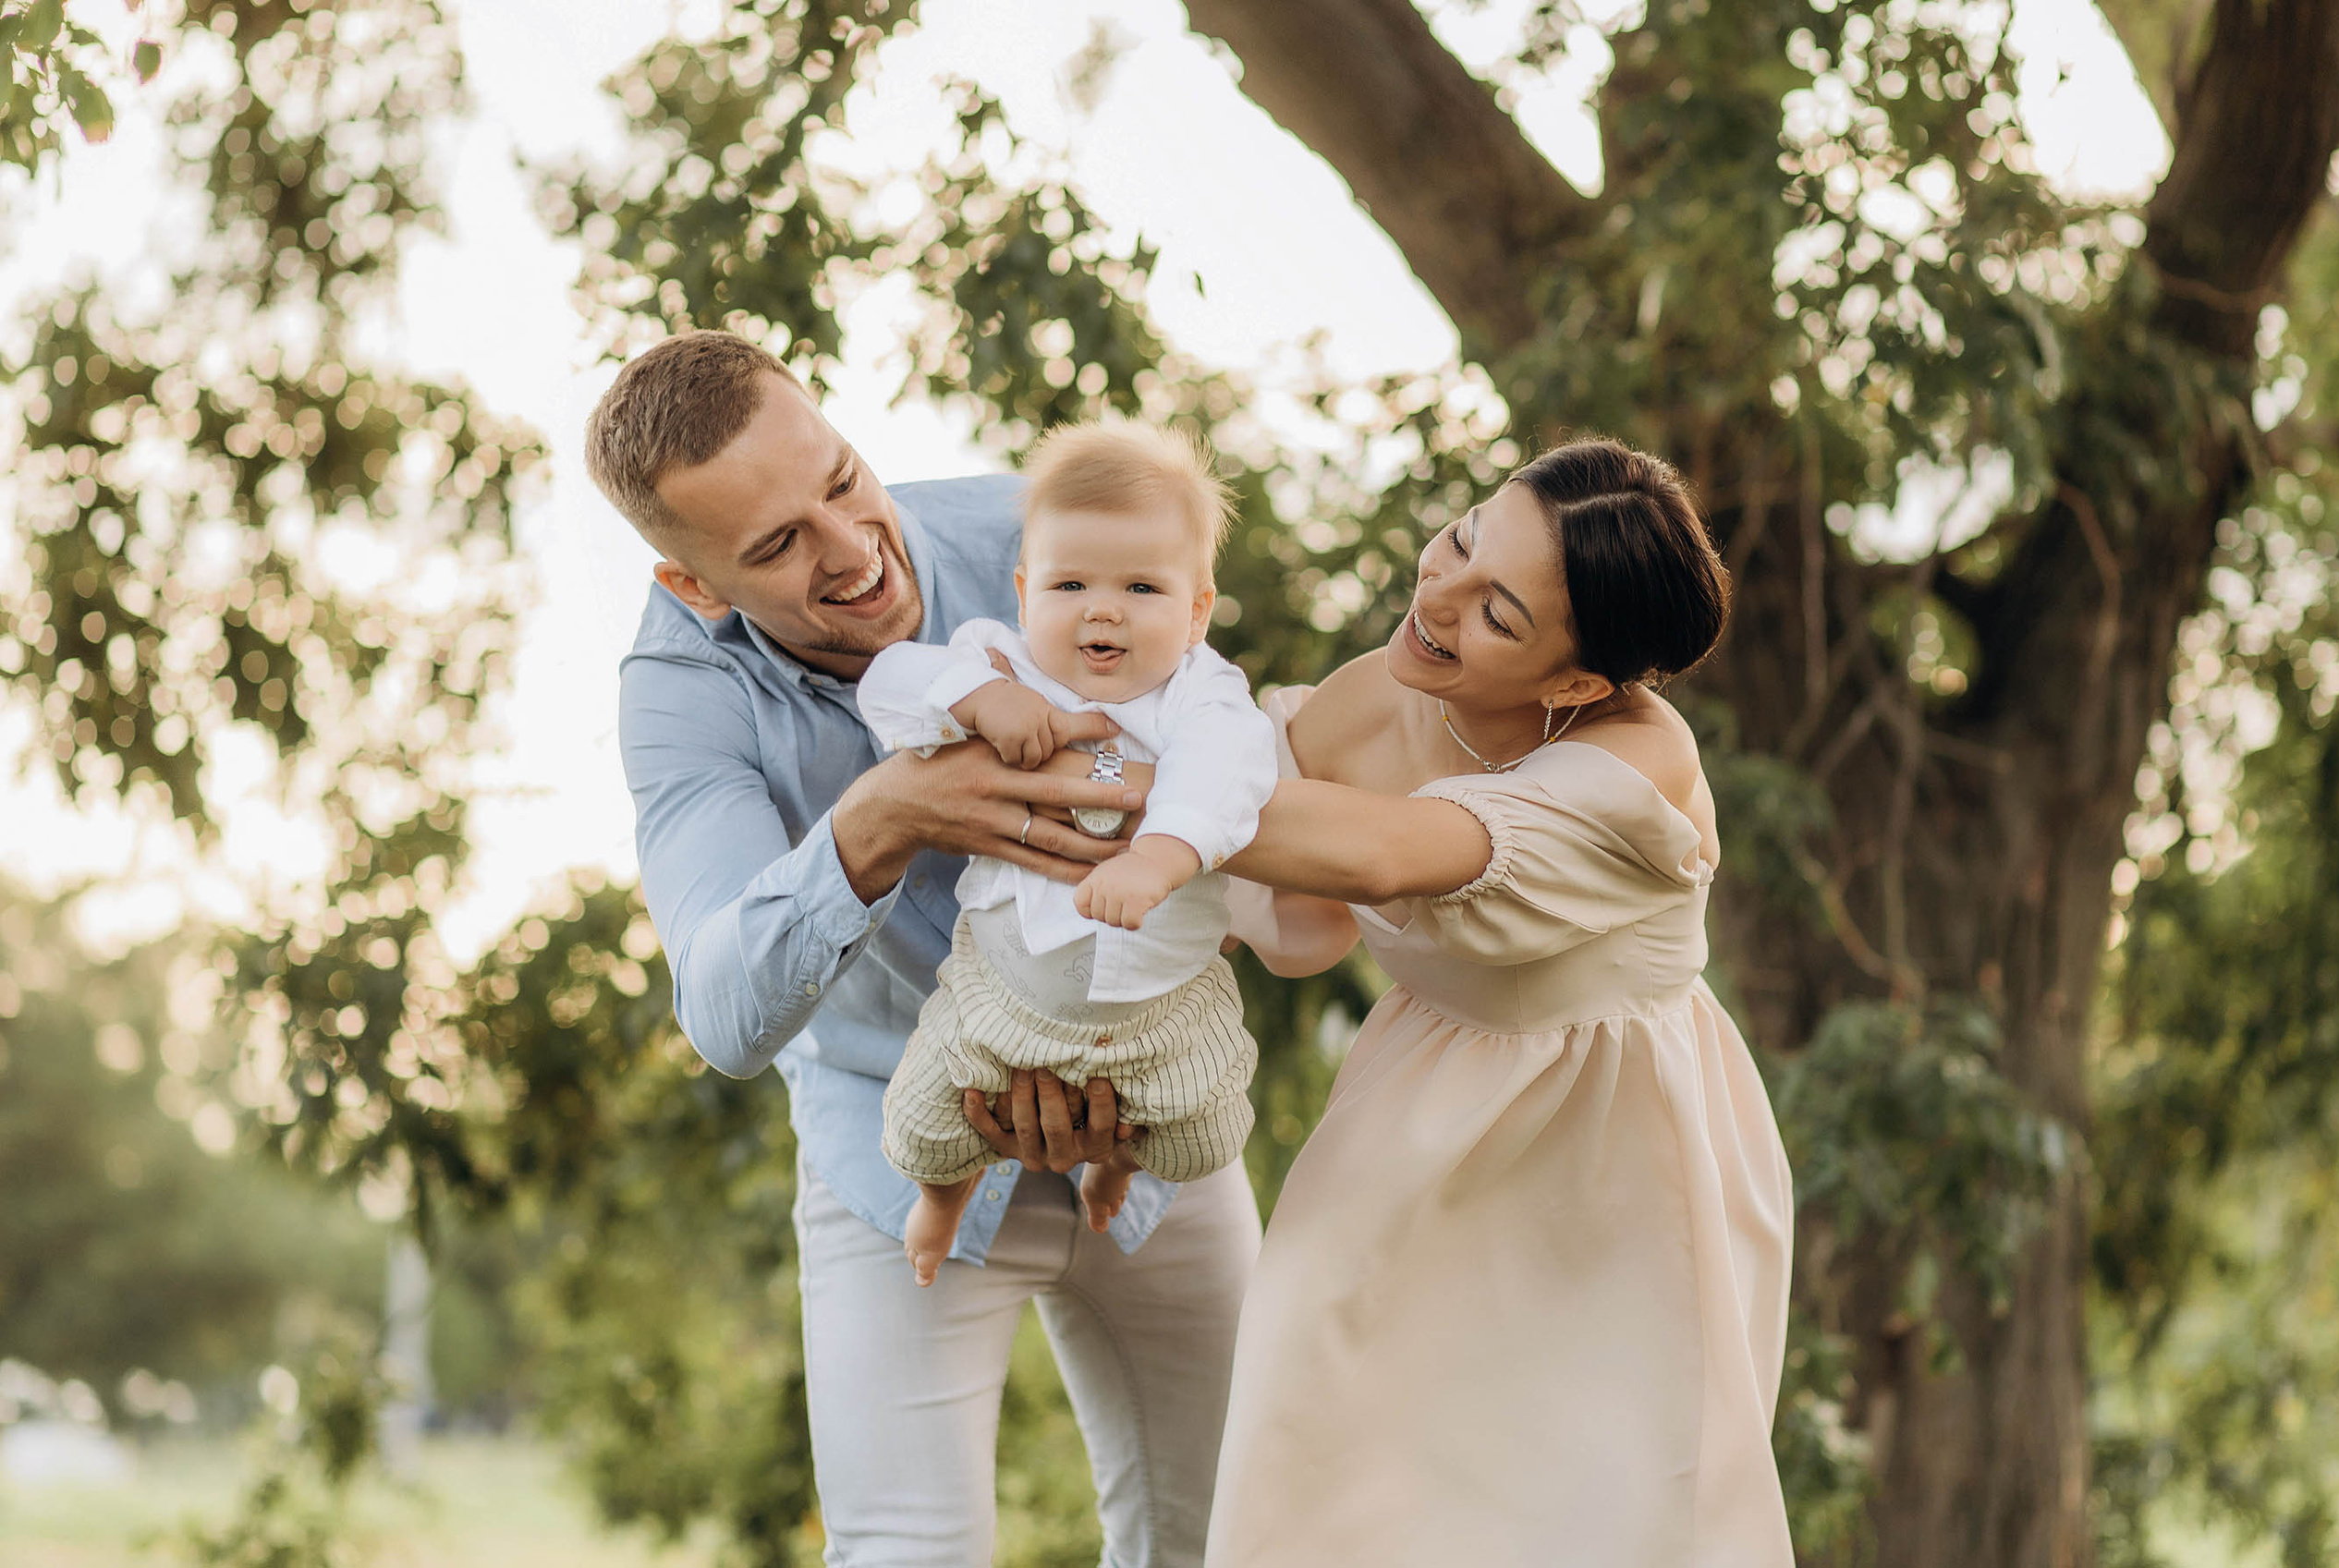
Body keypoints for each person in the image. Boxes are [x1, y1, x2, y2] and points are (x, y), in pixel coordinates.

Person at [585, 330, 1261, 1568]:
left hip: (1147, 1116)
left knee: (1231, 1536)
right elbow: (725, 1013)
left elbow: (1205, 755)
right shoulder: (680, 693)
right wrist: (882, 818)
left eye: (842, 481)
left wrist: (1099, 763)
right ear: (695, 585)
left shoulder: (1037, 537)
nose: (851, 555)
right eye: (776, 546)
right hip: (902, 1154)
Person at [1208, 438, 1796, 1565]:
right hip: (1411, 1123)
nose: (1438, 595)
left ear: (1578, 681)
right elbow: (1299, 921)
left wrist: (1128, 786)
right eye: (1461, 541)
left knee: (1594, 1504)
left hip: (1617, 1164)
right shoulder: (1377, 693)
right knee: (1313, 1454)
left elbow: (1389, 852)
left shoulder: (1637, 762)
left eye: (1498, 613)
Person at [859, 419, 1274, 1285]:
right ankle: (945, 1199)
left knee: (1205, 1135)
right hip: (997, 995)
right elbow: (889, 684)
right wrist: (977, 700)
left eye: (1142, 587)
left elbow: (1227, 771)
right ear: (1023, 592)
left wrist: (1158, 855)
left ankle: (1119, 1158)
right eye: (1071, 581)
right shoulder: (1000, 660)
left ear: (1198, 608)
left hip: (1161, 1007)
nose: (1103, 607)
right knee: (923, 1122)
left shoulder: (1203, 695)